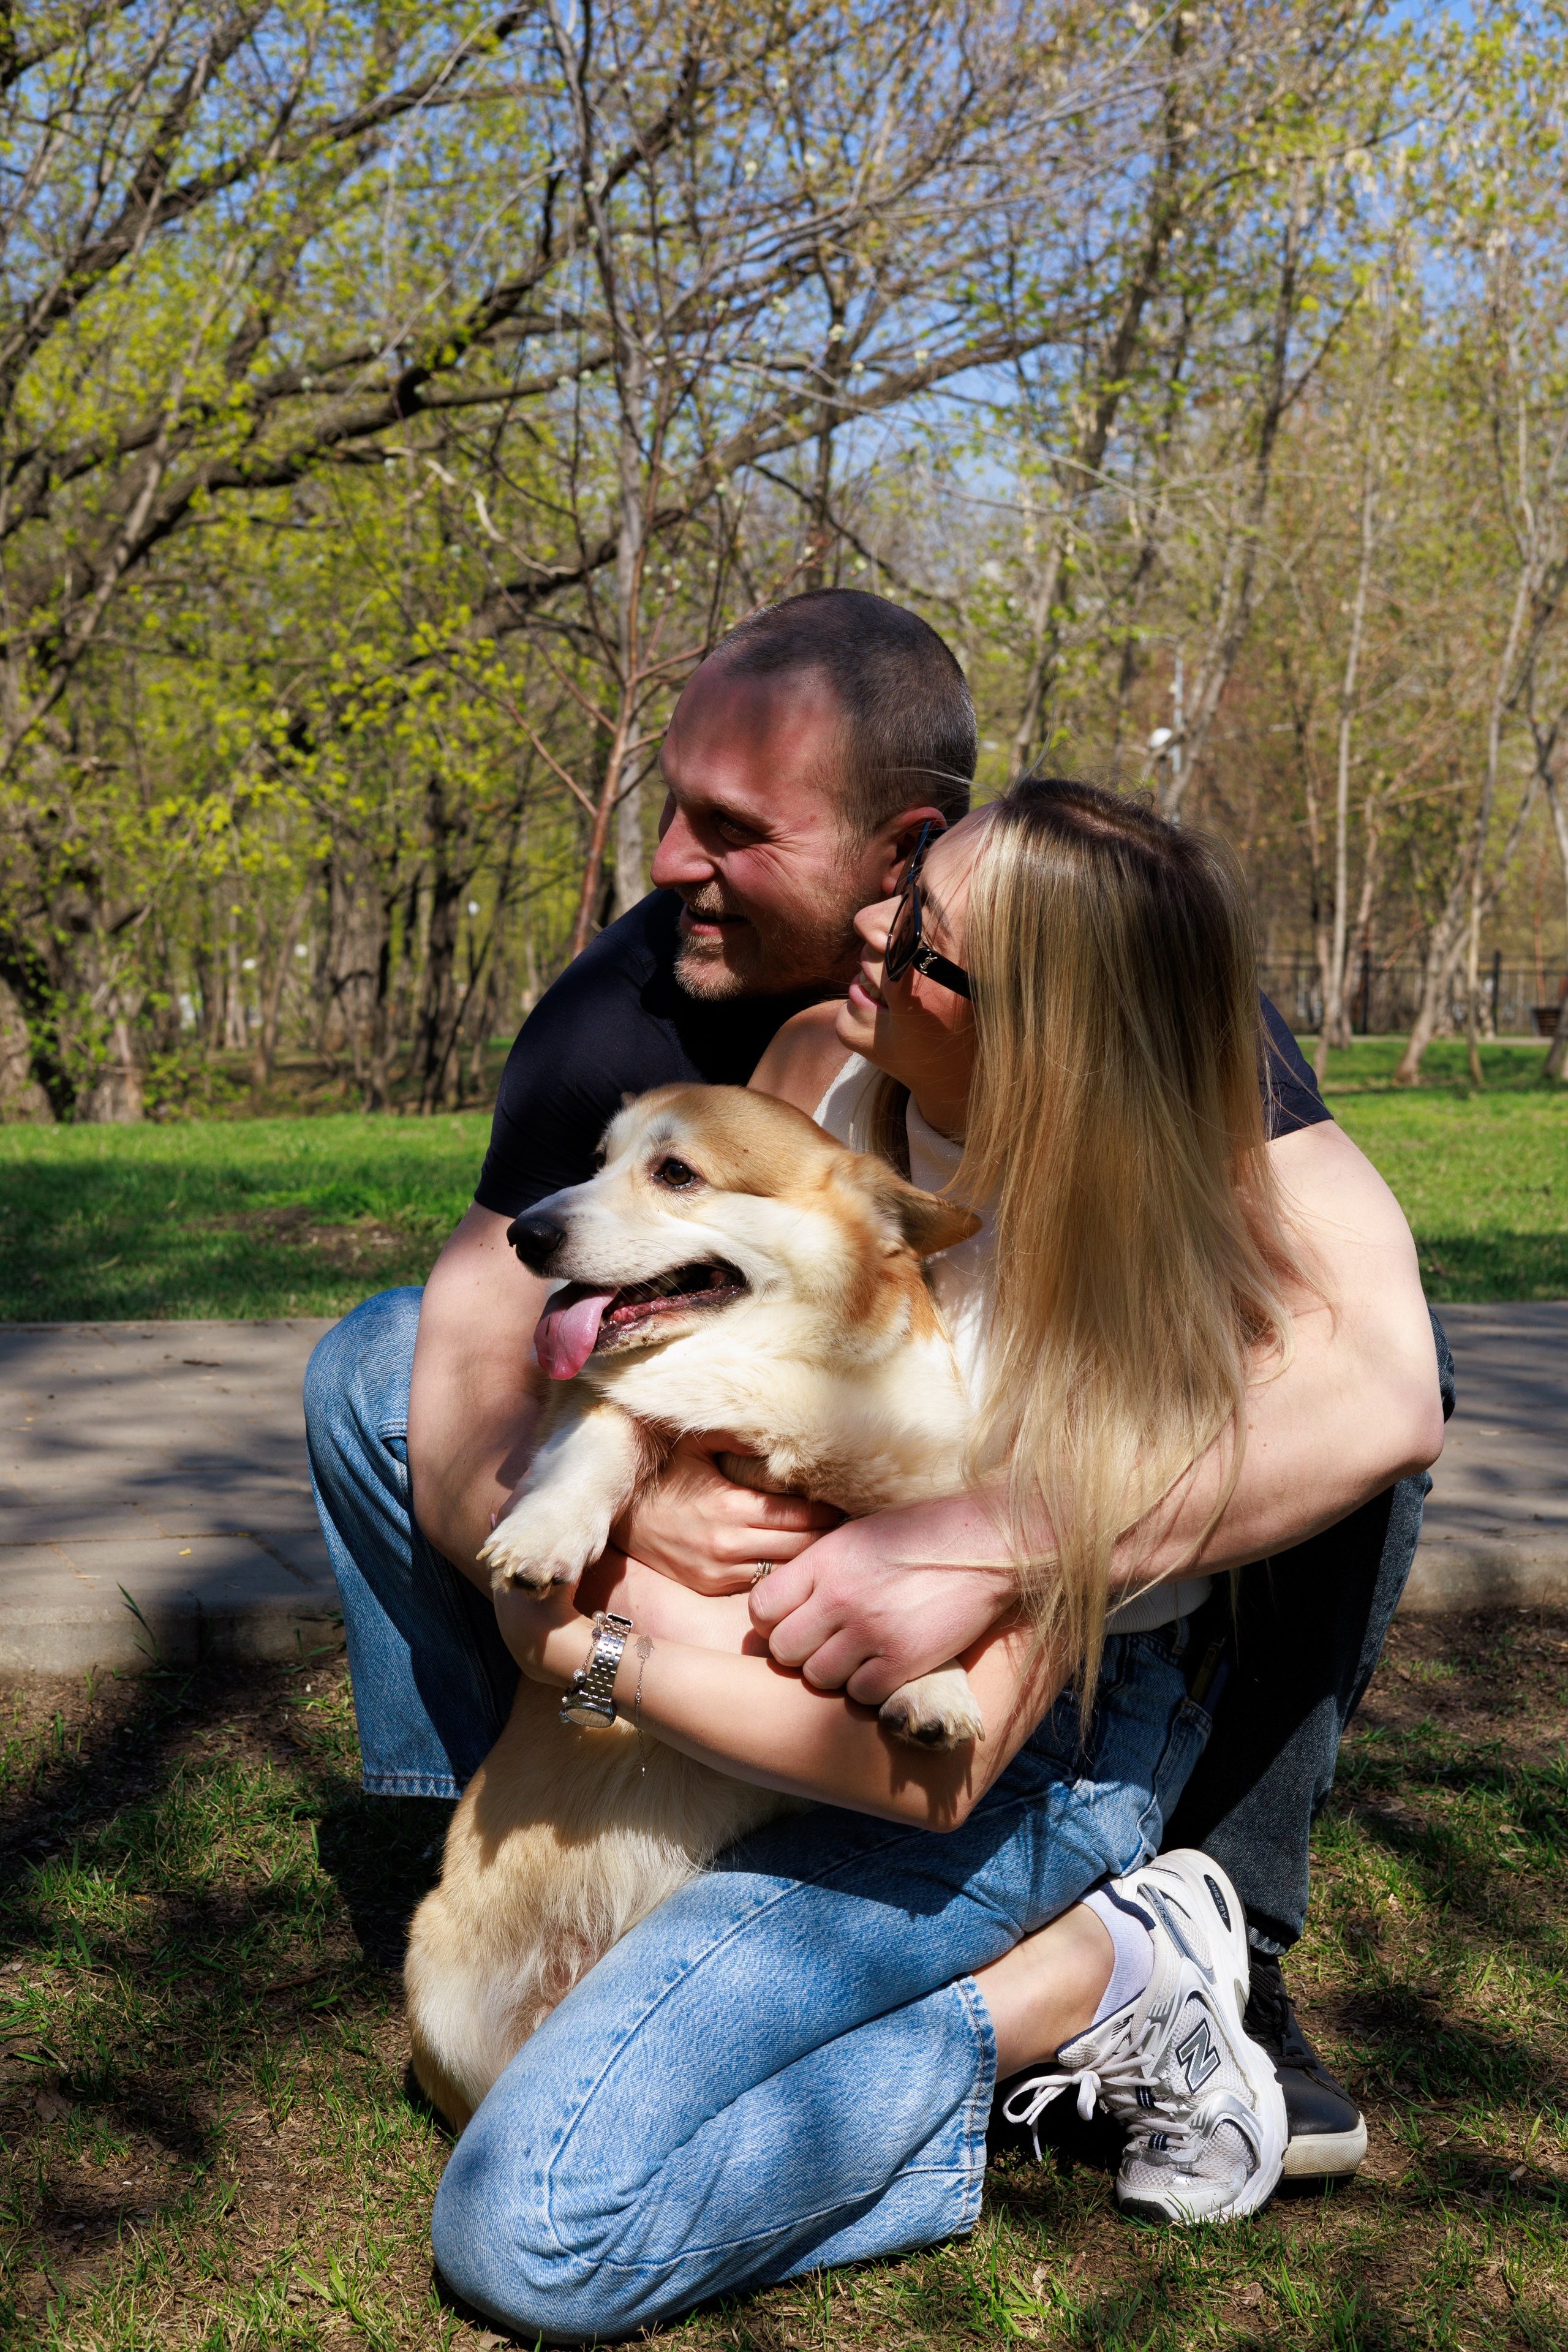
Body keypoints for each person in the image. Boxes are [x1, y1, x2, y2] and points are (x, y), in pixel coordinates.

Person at [304, 590, 1449, 2193]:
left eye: (731, 828)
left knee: (1339, 1396)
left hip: (1017, 1576)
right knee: (368, 1367)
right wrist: (611, 1553)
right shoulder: (630, 1007)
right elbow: (463, 1343)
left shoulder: (1095, 976)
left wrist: (993, 1538)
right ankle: (517, 1828)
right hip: (730, 1525)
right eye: (666, 811)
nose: (666, 871)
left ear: (905, 851)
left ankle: (1227, 1933)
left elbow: (1387, 1378)